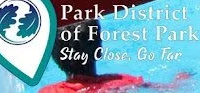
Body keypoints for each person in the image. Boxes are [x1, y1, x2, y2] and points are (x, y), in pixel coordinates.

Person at [42, 19, 191, 91]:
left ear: (54, 57)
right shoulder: (122, 83)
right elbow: (166, 89)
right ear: (99, 51)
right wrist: (180, 80)